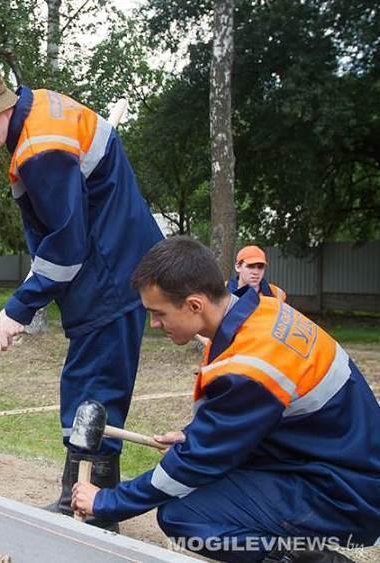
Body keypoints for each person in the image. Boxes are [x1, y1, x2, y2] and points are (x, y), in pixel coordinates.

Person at [0, 60, 163, 526]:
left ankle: (93, 509)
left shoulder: (40, 148)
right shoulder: (35, 116)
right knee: (89, 384)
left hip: (110, 270)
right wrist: (29, 297)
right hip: (107, 265)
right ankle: (80, 498)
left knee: (94, 388)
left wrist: (22, 304)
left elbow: (67, 240)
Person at [70, 237, 380, 563]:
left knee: (184, 516)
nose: (155, 324)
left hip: (346, 495)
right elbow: (257, 418)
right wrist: (196, 437)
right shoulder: (264, 312)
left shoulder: (252, 364)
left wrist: (107, 502)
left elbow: (190, 467)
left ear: (194, 305)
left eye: (158, 313)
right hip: (336, 468)